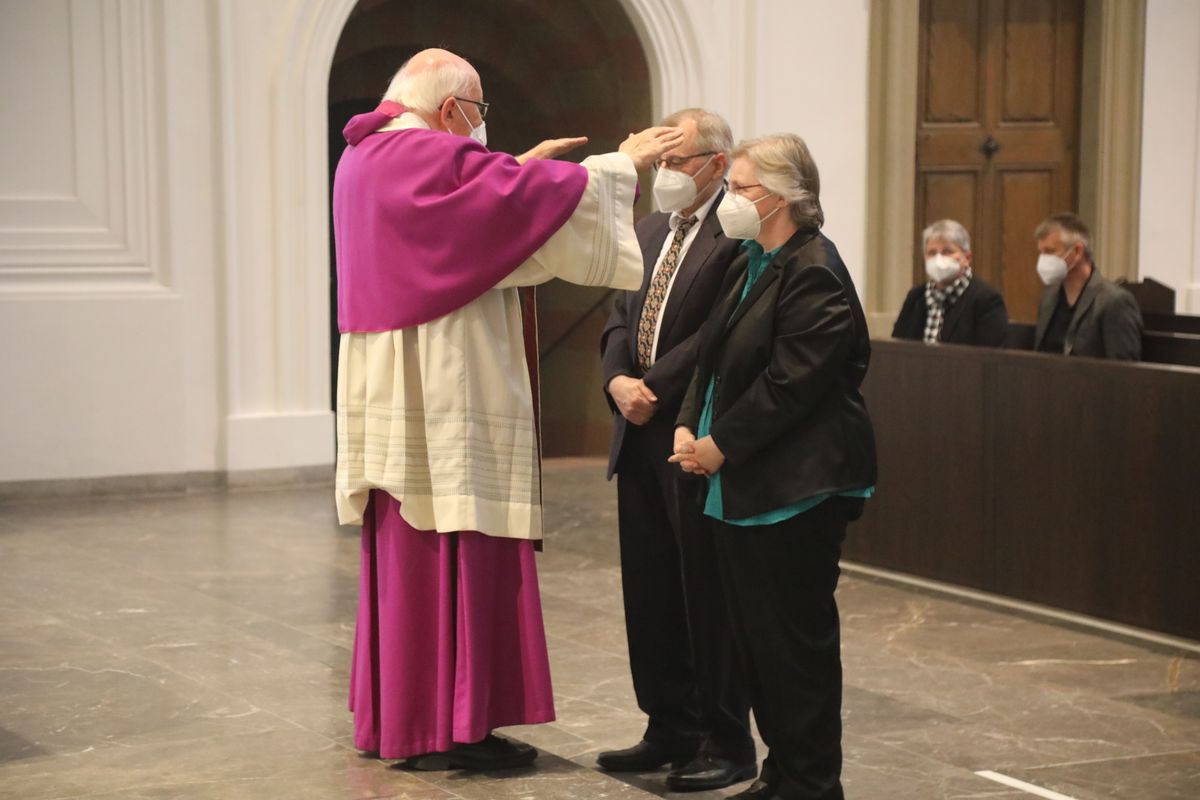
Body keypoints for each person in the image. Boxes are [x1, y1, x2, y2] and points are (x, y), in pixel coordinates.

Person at [332, 48, 683, 770]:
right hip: (445, 389)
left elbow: (469, 220)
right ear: (453, 108)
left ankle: (399, 718)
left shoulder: (369, 156)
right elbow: (485, 210)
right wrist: (623, 164)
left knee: (408, 550)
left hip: (397, 387)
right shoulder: (424, 156)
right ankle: (447, 727)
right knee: (454, 537)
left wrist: (519, 168)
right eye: (479, 112)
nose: (480, 128)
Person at [671, 134, 877, 800]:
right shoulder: (750, 259)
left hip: (798, 489)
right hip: (743, 489)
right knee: (756, 643)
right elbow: (710, 355)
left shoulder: (815, 267)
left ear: (786, 196)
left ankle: (814, 784)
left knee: (795, 648)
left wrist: (720, 444)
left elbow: (793, 384)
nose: (730, 199)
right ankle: (781, 772)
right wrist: (686, 418)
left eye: (742, 187)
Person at [598, 108, 755, 791]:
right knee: (651, 591)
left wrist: (651, 388)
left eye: (677, 161)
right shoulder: (649, 227)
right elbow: (615, 317)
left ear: (717, 166)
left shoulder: (736, 235)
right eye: (658, 161)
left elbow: (715, 336)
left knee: (703, 594)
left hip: (689, 431)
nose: (663, 173)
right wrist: (615, 381)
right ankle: (667, 726)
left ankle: (724, 738)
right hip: (635, 433)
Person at [1032, 213, 1143, 359]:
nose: (1043, 259)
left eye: (1050, 251)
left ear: (1077, 252)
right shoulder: (1049, 297)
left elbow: (1124, 368)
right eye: (1041, 252)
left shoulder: (1114, 301)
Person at [892, 219, 1007, 347]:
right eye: (932, 253)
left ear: (967, 258)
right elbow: (897, 347)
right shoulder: (916, 297)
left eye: (947, 251)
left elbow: (989, 358)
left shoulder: (986, 300)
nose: (938, 259)